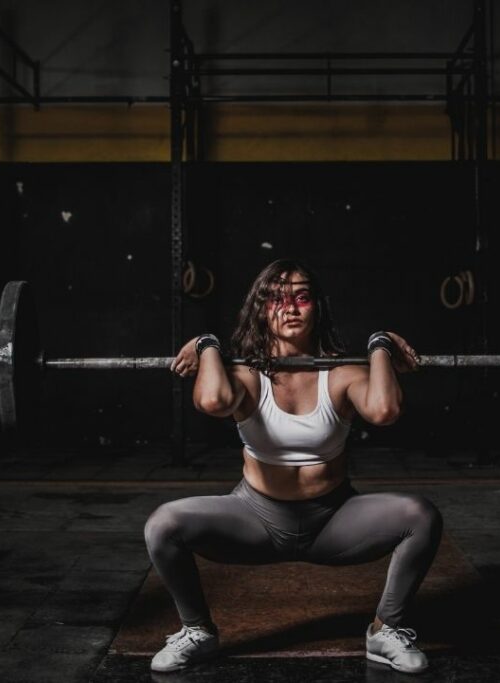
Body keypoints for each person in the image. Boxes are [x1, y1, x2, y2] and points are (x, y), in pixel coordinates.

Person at [144, 258, 443, 674]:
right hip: (254, 520)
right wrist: (207, 344)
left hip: (334, 520)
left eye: (301, 297)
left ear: (316, 306)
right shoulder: (247, 375)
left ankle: (386, 630)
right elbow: (212, 401)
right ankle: (198, 630)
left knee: (421, 516)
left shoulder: (341, 373)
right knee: (162, 525)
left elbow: (385, 410)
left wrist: (380, 345)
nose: (290, 308)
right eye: (275, 299)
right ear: (260, 310)